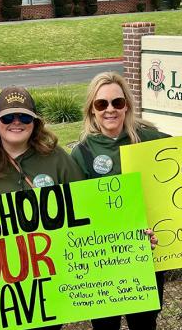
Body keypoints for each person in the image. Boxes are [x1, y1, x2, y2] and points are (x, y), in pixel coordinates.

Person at [0, 86, 84, 330]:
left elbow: (88, 208)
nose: (16, 123)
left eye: (24, 117)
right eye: (8, 117)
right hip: (2, 290)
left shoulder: (56, 158)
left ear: (35, 122)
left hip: (49, 282)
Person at [71, 71, 169, 330]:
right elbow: (75, 211)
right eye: (102, 104)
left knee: (145, 324)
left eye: (117, 102)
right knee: (105, 327)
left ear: (127, 105)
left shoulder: (150, 139)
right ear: (92, 109)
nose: (110, 110)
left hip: (145, 254)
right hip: (102, 259)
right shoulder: (81, 153)